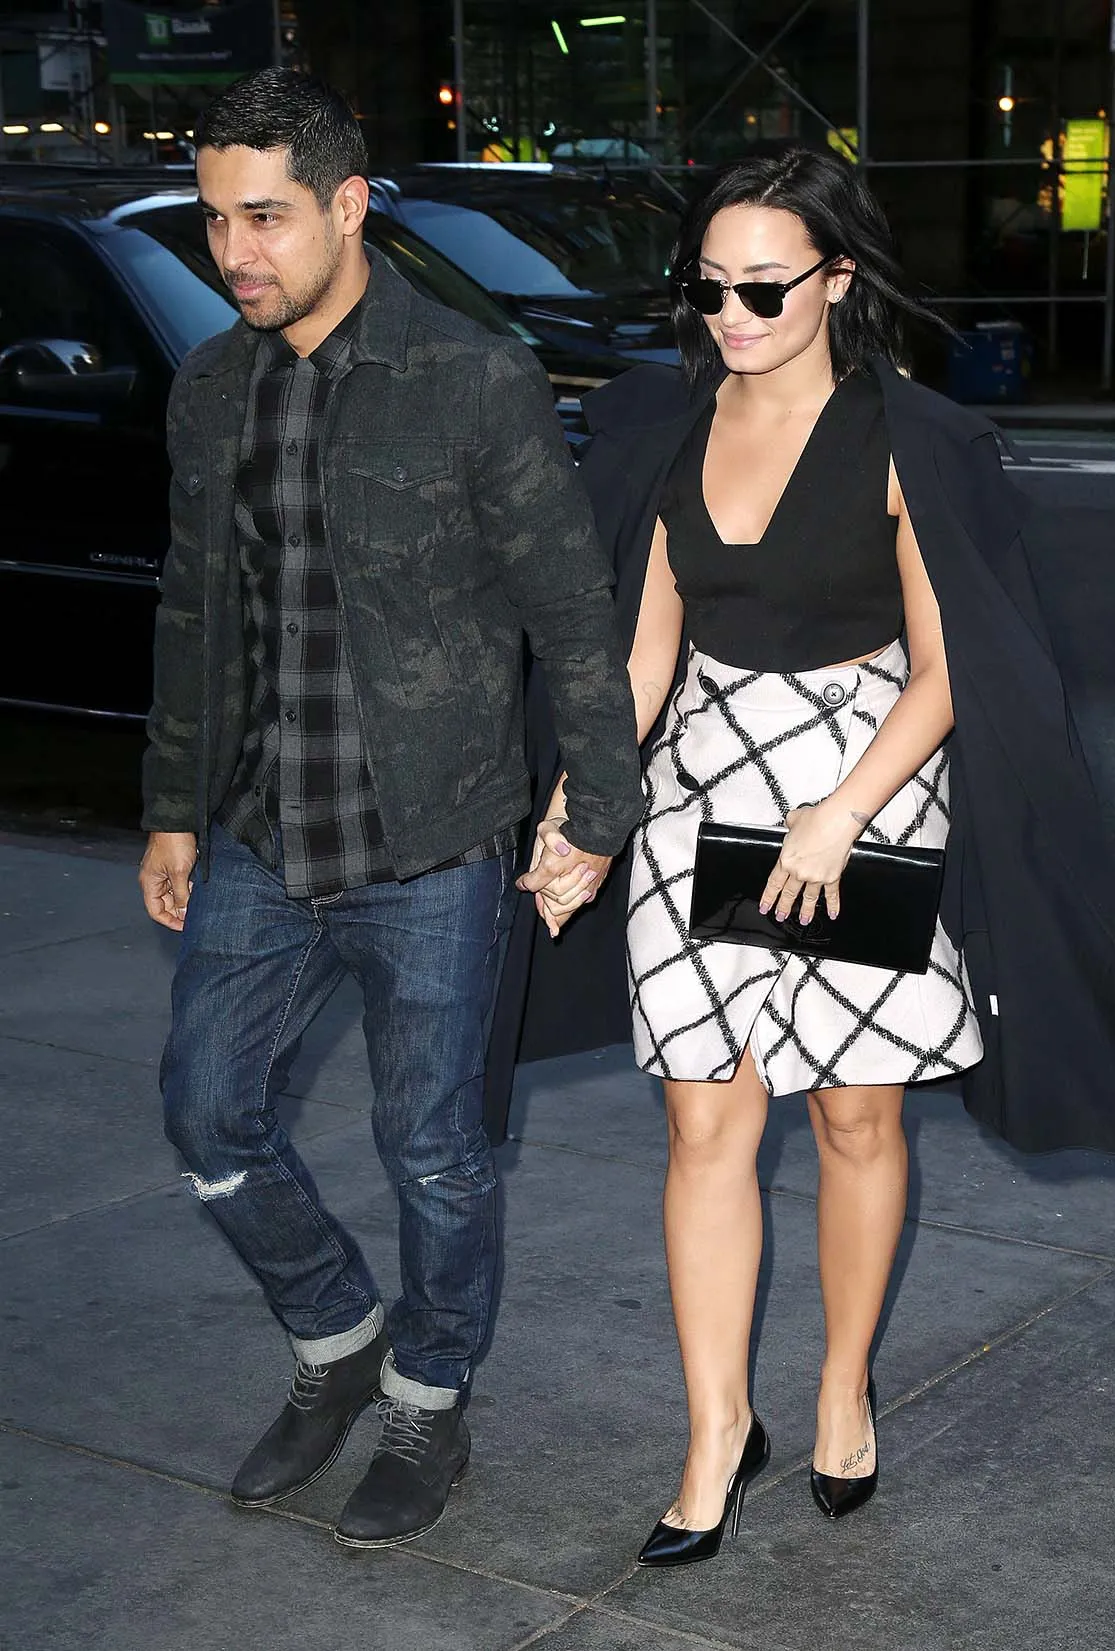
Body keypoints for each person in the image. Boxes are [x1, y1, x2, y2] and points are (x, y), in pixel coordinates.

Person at [521, 148, 1115, 1567]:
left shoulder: (912, 441)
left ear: (835, 279)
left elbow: (950, 669)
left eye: (763, 288)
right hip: (703, 793)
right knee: (705, 1122)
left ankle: (841, 1386)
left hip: (863, 793)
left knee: (852, 1118)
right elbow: (643, 654)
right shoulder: (667, 423)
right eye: (707, 286)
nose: (731, 313)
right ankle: (716, 1432)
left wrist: (839, 812)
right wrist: (587, 804)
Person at [138, 67, 643, 1549]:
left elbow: (573, 610)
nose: (235, 251)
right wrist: (172, 804)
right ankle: (336, 1333)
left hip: (431, 838)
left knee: (432, 1145)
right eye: (217, 219)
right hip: (259, 824)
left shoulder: (472, 377)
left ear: (349, 206)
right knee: (207, 1111)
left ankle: (428, 1393)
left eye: (268, 217)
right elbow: (192, 609)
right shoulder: (209, 385)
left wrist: (595, 808)